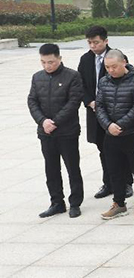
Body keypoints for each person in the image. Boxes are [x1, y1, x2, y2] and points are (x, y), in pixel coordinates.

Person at [28, 44, 84, 218]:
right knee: (51, 169)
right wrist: (43, 121)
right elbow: (32, 101)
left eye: (51, 62)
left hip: (67, 132)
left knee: (72, 168)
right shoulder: (37, 77)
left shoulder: (72, 76)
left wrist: (55, 122)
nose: (47, 66)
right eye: (43, 62)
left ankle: (75, 202)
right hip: (45, 132)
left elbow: (74, 102)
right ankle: (57, 202)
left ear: (59, 58)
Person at [77, 26, 133, 199]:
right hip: (95, 111)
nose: (93, 46)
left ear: (106, 41)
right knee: (103, 148)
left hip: (115, 112)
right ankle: (108, 182)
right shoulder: (85, 59)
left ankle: (126, 182)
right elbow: (80, 84)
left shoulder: (116, 57)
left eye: (96, 42)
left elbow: (126, 82)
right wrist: (90, 101)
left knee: (120, 148)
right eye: (90, 43)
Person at [96, 49, 134, 220]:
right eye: (107, 67)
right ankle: (119, 203)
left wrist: (120, 125)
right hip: (111, 134)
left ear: (124, 63)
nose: (111, 70)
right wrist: (108, 125)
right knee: (114, 170)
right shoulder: (103, 82)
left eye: (114, 66)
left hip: (133, 133)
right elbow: (99, 106)